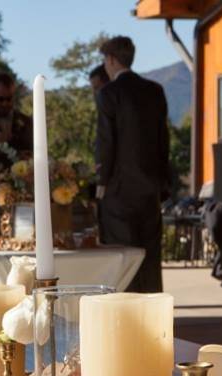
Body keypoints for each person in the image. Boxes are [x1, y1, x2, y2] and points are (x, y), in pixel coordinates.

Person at [95, 36, 170, 293]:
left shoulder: (108, 94)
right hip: (150, 190)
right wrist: (163, 186)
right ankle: (153, 317)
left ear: (112, 60)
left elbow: (107, 143)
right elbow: (163, 142)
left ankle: (124, 320)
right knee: (150, 260)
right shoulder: (154, 91)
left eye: (105, 59)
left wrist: (102, 183)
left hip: (119, 190)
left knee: (122, 261)